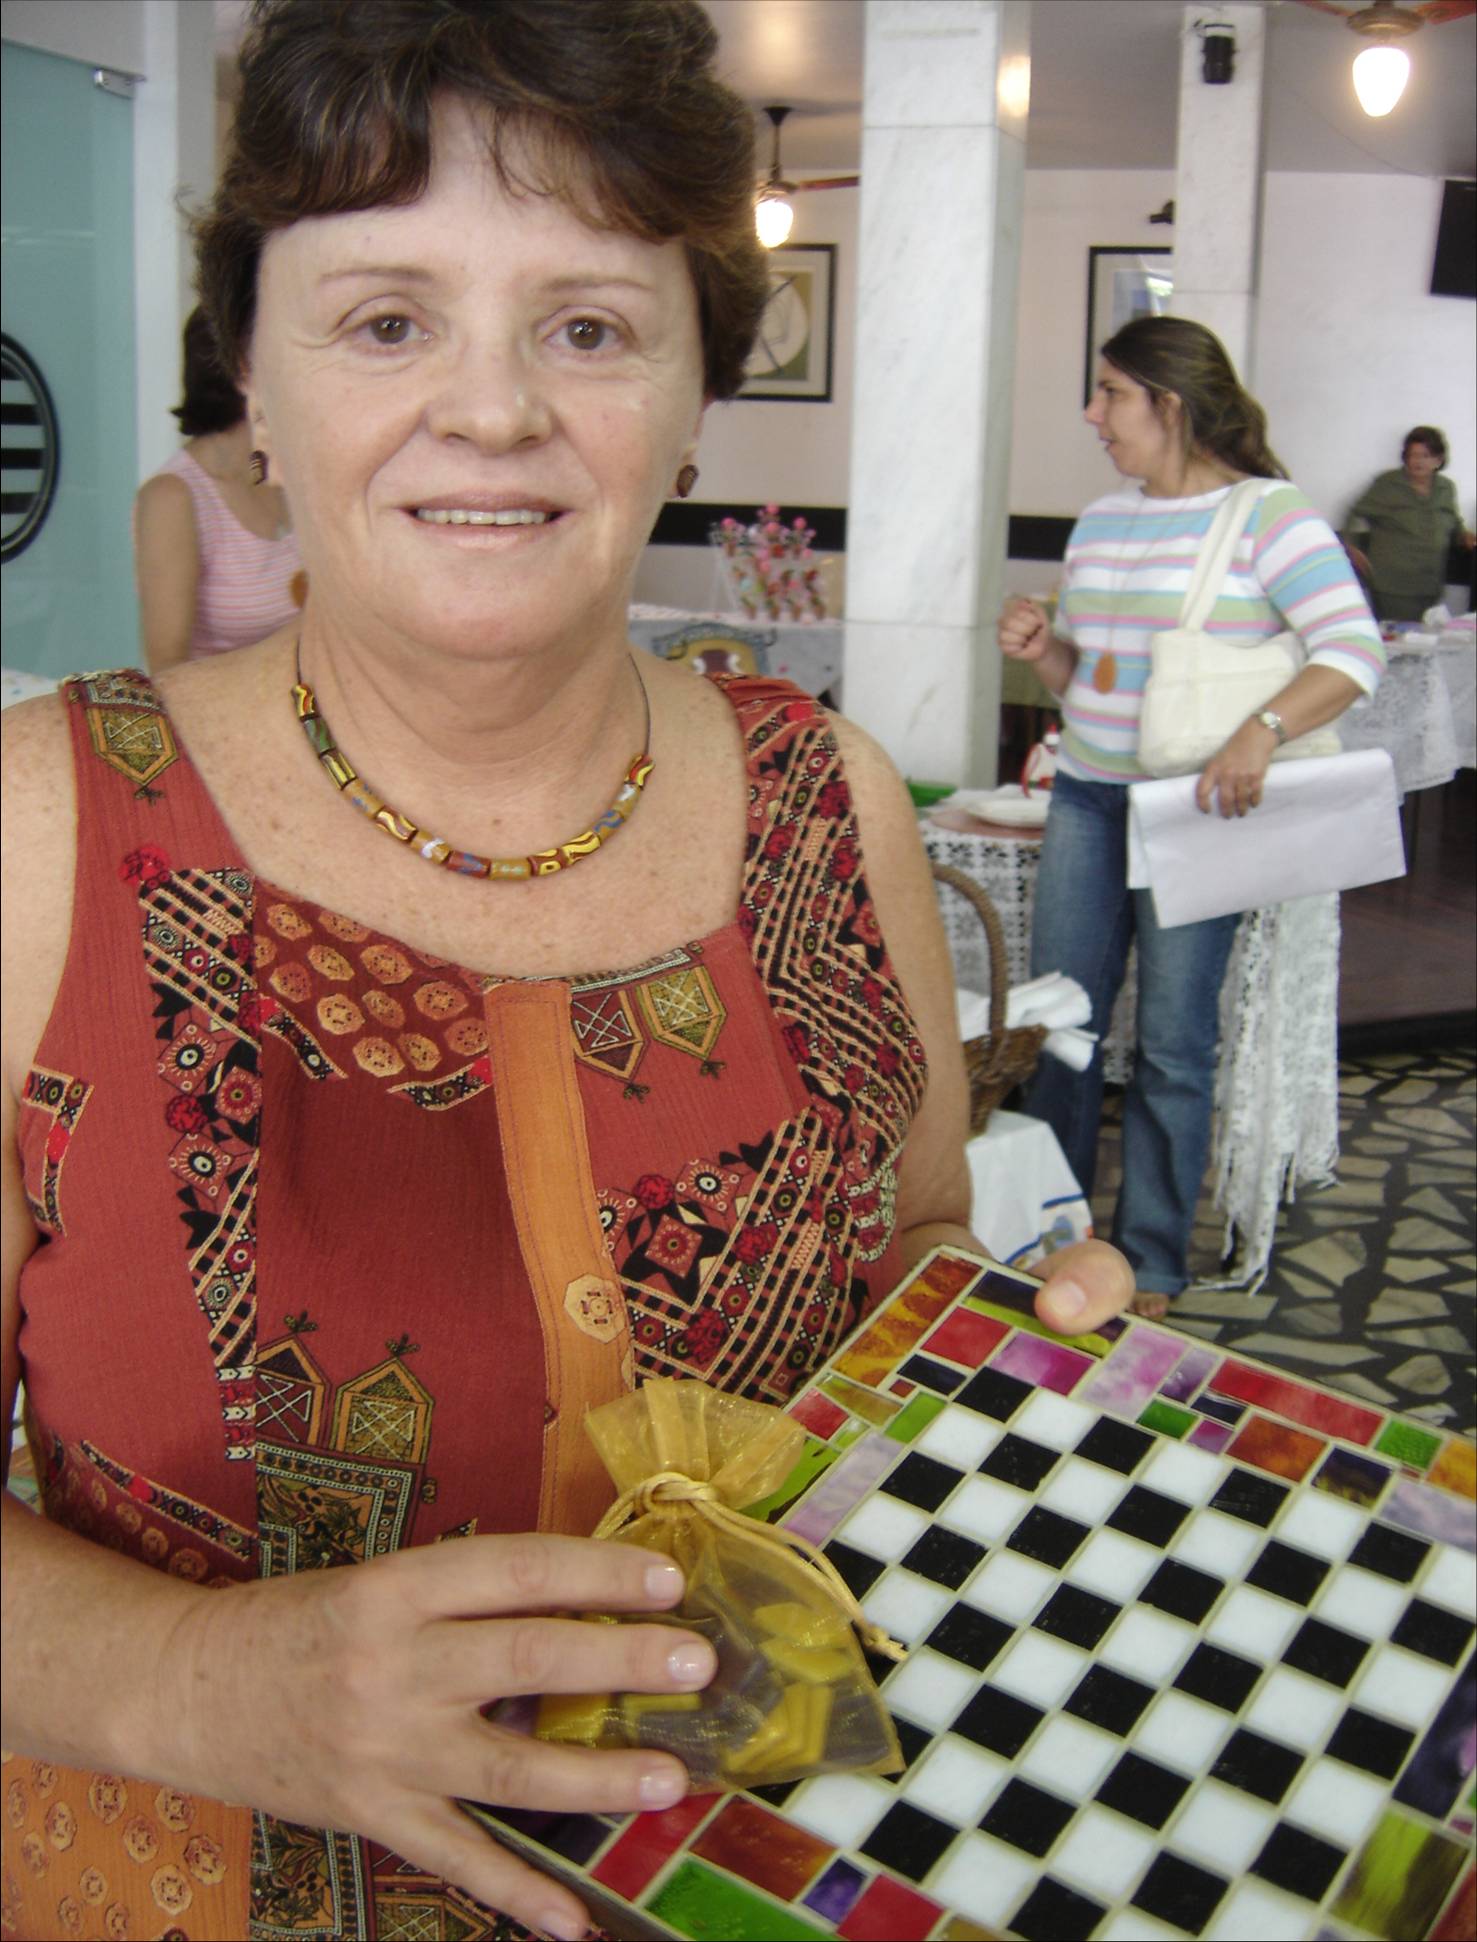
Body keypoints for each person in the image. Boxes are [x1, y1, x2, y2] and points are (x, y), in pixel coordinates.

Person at [0, 5, 1135, 1938]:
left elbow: (909, 1247)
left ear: (695, 389)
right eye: (385, 320)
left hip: (771, 1874)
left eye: (588, 328)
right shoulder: (44, 834)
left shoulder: (826, 804)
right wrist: (205, 1679)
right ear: (251, 379)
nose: (493, 410)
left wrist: (1001, 1363)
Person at [999, 314, 1383, 1322]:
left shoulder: (1269, 517)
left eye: (1110, 393)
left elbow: (1353, 651)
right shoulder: (1099, 522)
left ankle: (1153, 1257)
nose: (1093, 414)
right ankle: (1056, 1235)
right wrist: (1045, 653)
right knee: (1058, 1025)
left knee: (1172, 1043)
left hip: (1196, 810)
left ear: (1168, 403)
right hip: (1087, 796)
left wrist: (1260, 729)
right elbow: (1098, 679)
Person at [133, 306, 305, 673]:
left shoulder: (288, 470)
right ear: (246, 373)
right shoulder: (173, 499)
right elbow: (167, 669)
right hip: (236, 705)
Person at [1341, 426, 1475, 623]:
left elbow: (1453, 521)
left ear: (1438, 460)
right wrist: (1350, 547)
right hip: (1393, 586)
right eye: (1413, 455)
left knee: (1424, 637)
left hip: (1429, 584)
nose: (1418, 461)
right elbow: (1354, 513)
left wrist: (1464, 535)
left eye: (1425, 455)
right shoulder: (1388, 484)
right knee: (1398, 637)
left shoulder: (1446, 488)